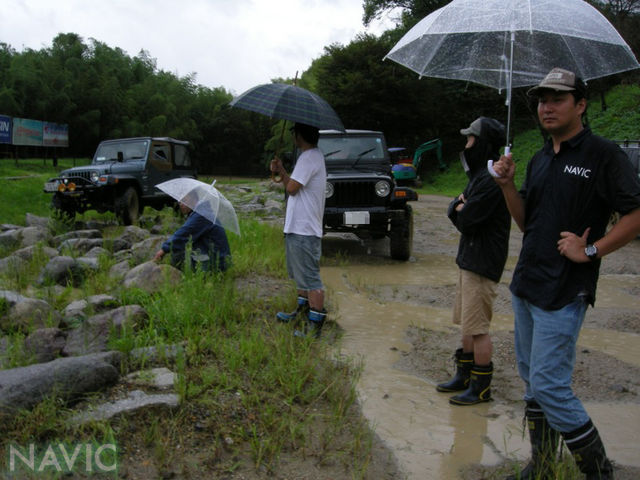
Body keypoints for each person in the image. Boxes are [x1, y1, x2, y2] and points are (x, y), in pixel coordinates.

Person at [491, 67, 640, 480]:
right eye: (542, 99)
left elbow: (635, 215)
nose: (547, 106)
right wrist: (507, 186)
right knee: (532, 383)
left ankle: (598, 473)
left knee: (551, 386)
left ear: (581, 104)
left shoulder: (604, 155)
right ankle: (541, 464)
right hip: (527, 285)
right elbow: (527, 223)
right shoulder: (540, 158)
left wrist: (590, 249)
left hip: (565, 291)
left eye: (558, 98)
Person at [436, 117, 511, 406]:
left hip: (482, 262)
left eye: (470, 139)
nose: (466, 144)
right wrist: (458, 205)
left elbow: (466, 219)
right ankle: (463, 374)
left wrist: (459, 206)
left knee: (478, 328)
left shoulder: (492, 180)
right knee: (467, 323)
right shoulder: (480, 176)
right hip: (470, 259)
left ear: (482, 144)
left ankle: (481, 387)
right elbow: (456, 207)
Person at [270, 122, 327, 338]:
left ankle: (316, 323)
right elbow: (293, 188)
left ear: (300, 135)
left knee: (311, 278)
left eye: (294, 132)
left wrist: (282, 171)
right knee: (301, 275)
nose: (293, 136)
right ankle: (302, 312)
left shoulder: (310, 156)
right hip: (298, 227)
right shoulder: (309, 157)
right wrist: (282, 171)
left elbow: (292, 188)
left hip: (305, 229)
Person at [153, 197, 231, 273]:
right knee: (178, 250)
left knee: (178, 250)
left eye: (184, 200)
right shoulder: (200, 212)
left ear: (194, 199)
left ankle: (176, 279)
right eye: (180, 201)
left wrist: (163, 250)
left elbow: (183, 234)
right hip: (210, 254)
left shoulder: (202, 215)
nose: (181, 204)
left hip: (217, 262)